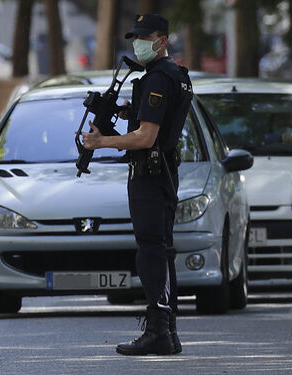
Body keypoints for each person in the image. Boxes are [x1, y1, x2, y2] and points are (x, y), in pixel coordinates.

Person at [79, 14, 193, 356]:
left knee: (151, 253)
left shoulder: (159, 77)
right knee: (160, 250)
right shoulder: (175, 76)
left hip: (151, 173)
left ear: (163, 40)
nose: (138, 43)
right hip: (162, 173)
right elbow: (152, 122)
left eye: (145, 37)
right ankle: (167, 330)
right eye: (134, 37)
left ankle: (159, 330)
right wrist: (128, 110)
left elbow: (146, 137)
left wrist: (101, 143)